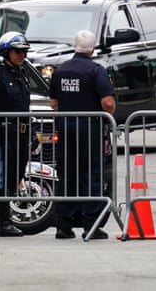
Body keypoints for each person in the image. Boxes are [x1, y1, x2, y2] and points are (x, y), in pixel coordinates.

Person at [49, 30, 115, 240]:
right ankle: (91, 224)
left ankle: (63, 225)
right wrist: (108, 115)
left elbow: (53, 103)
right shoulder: (96, 70)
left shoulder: (60, 70)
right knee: (92, 174)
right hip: (90, 128)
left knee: (66, 174)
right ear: (93, 49)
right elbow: (108, 103)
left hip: (65, 127)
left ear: (75, 46)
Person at [0, 31, 31, 237]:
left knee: (16, 173)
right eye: (17, 51)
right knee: (4, 175)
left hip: (20, 131)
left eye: (24, 51)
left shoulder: (21, 72)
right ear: (6, 52)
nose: (22, 55)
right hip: (4, 131)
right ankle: (3, 221)